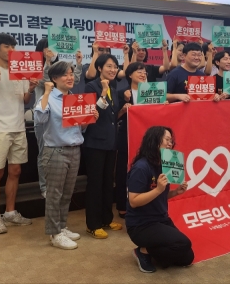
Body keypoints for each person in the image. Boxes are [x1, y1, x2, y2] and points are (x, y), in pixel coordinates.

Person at [34, 61, 99, 249]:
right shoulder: (48, 98)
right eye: (65, 74)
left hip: (74, 149)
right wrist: (46, 92)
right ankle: (54, 234)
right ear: (54, 79)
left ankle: (61, 227)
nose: (70, 77)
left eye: (71, 74)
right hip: (55, 151)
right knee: (54, 194)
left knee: (67, 193)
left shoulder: (75, 99)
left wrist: (91, 118)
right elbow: (39, 118)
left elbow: (81, 128)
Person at [0, 33, 36, 234]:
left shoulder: (19, 70)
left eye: (13, 46)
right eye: (6, 46)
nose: (11, 49)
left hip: (18, 127)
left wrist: (31, 88)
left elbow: (25, 100)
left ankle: (10, 213)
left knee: (15, 172)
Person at [127, 126, 193, 273]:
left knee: (187, 257)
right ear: (155, 141)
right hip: (141, 224)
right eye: (167, 140)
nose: (171, 144)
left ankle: (153, 250)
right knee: (183, 243)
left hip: (161, 219)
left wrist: (176, 192)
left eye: (172, 141)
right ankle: (143, 251)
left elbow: (160, 196)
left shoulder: (164, 165)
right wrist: (158, 189)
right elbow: (133, 201)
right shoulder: (141, 167)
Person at [33, 38, 83, 198]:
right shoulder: (38, 67)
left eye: (53, 49)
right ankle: (45, 186)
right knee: (44, 152)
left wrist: (79, 63)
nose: (51, 52)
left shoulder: (62, 67)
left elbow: (74, 80)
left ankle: (62, 185)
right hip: (45, 115)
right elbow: (44, 80)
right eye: (48, 49)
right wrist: (47, 61)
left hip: (63, 116)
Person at [82, 53, 123, 238]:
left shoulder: (113, 87)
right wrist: (103, 93)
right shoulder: (92, 86)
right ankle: (93, 224)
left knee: (108, 183)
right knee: (95, 184)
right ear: (99, 68)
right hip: (95, 143)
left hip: (110, 142)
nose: (113, 70)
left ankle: (107, 219)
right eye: (109, 66)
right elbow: (92, 114)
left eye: (115, 66)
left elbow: (112, 116)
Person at [114, 61, 147, 218]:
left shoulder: (152, 92)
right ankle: (122, 204)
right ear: (129, 75)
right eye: (139, 71)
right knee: (123, 171)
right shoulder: (122, 93)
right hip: (126, 137)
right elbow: (114, 116)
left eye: (144, 71)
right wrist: (123, 109)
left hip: (146, 138)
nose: (142, 74)